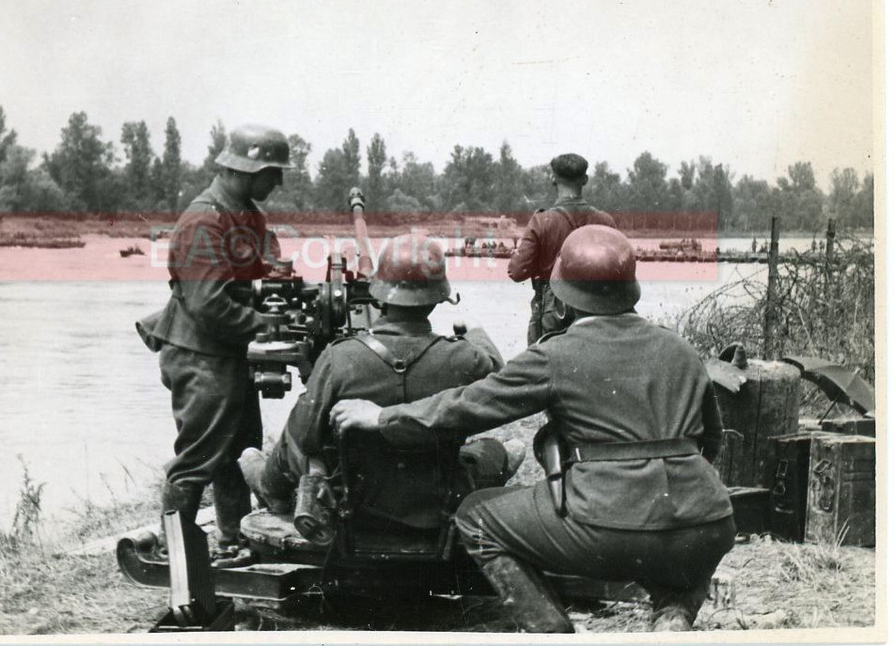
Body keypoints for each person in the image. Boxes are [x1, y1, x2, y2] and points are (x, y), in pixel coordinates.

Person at [332, 225, 735, 633]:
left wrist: (383, 417)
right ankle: (674, 608)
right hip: (708, 523)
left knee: (475, 516)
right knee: (685, 543)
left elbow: (469, 405)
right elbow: (711, 442)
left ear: (562, 297)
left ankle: (550, 630)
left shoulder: (554, 354)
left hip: (606, 526)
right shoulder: (681, 349)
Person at [239, 235, 518, 531]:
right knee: (505, 450)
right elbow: (499, 380)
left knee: (297, 436)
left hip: (358, 506)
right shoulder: (464, 357)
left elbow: (306, 440)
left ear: (380, 294)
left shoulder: (340, 356)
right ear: (439, 298)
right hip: (438, 502)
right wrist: (475, 332)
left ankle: (270, 486)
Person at [136, 123, 290, 560]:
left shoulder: (244, 214)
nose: (278, 182)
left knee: (238, 452)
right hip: (200, 355)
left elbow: (260, 269)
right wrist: (267, 325)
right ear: (248, 170)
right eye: (273, 172)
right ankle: (174, 551)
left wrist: (276, 280)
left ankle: (234, 540)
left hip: (228, 351)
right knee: (199, 456)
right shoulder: (204, 220)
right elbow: (208, 304)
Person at [508, 153, 616, 344]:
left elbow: (517, 272)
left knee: (543, 358)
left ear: (553, 179)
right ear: (585, 179)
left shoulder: (541, 221)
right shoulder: (605, 222)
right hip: (595, 309)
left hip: (552, 311)